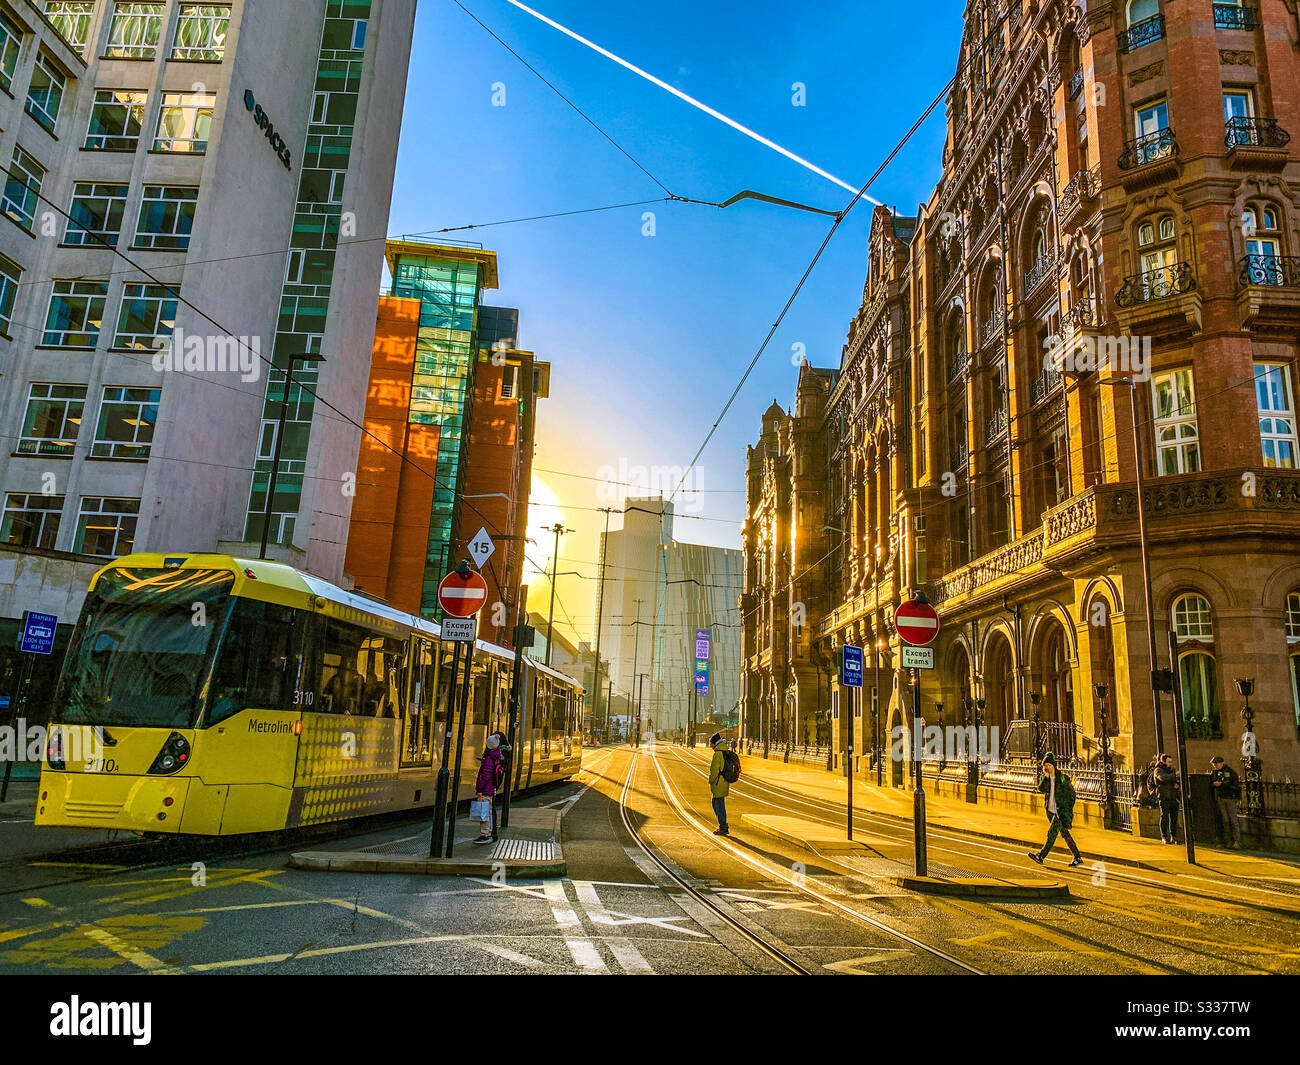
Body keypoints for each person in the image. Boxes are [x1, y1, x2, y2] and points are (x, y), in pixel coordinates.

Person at [1028, 752, 1083, 867]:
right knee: (1065, 834)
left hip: (1061, 812)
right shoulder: (1046, 778)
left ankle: (1041, 855)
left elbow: (1072, 795)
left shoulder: (1062, 778)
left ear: (1054, 765)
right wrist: (1046, 778)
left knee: (1051, 833)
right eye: (1045, 765)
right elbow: (1041, 789)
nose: (1047, 767)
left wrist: (1066, 808)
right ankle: (1077, 857)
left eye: (1049, 765)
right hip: (1052, 812)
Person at [472, 732, 507, 844]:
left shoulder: (489, 759)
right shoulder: (496, 756)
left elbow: (485, 776)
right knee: (489, 811)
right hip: (491, 788)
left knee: (484, 813)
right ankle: (489, 833)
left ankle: (485, 834)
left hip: (486, 789)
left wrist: (480, 790)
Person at [1210, 755, 1242, 849]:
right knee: (1226, 820)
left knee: (1233, 820)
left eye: (1216, 764)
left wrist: (1222, 784)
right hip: (1221, 797)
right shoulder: (1215, 772)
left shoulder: (1229, 771)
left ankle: (1236, 841)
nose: (1215, 766)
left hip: (1230, 797)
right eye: (1214, 764)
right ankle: (1229, 840)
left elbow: (1234, 784)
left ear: (1221, 763)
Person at [1153, 753, 1181, 844]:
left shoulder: (1171, 770)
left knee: (1174, 818)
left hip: (1173, 796)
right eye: (1169, 762)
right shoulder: (1158, 770)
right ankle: (1164, 836)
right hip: (1164, 796)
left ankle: (1173, 836)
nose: (1170, 764)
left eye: (1171, 762)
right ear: (1163, 761)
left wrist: (1177, 784)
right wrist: (1174, 775)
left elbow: (1175, 782)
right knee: (1164, 817)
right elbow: (1163, 778)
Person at [708, 732, 732, 837]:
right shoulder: (725, 752)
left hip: (718, 783)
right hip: (724, 782)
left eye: (711, 744)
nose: (710, 746)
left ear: (714, 743)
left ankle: (723, 826)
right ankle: (723, 825)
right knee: (717, 803)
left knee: (718, 805)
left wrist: (710, 780)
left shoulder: (717, 754)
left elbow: (714, 771)